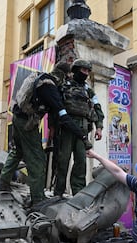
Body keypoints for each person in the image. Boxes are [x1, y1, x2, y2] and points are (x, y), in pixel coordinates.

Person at [0, 62, 91, 206]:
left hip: (17, 118)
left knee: (17, 151)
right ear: (64, 75)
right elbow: (62, 115)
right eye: (68, 75)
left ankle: (2, 182)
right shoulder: (50, 87)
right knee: (37, 159)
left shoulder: (42, 78)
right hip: (28, 122)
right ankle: (38, 199)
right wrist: (82, 136)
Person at [53, 59, 104, 197]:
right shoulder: (64, 86)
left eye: (88, 71)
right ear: (76, 70)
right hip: (67, 127)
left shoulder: (88, 90)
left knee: (81, 162)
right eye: (84, 70)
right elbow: (55, 106)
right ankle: (58, 193)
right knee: (63, 161)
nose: (86, 73)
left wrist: (99, 127)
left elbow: (98, 108)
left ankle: (78, 193)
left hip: (83, 127)